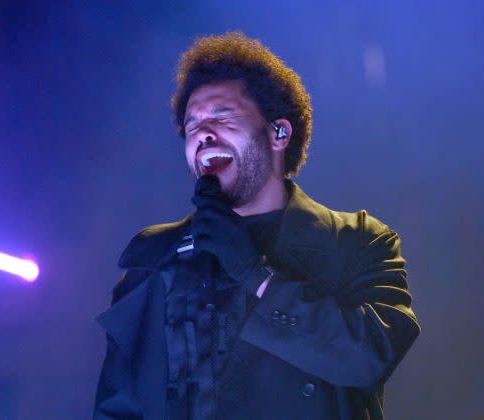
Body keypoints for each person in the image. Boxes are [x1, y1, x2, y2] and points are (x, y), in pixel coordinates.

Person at [93, 32, 420, 420]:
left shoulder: (358, 242)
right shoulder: (154, 257)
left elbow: (369, 358)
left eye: (221, 115)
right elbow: (118, 406)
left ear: (279, 132)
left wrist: (255, 274)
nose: (203, 133)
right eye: (191, 124)